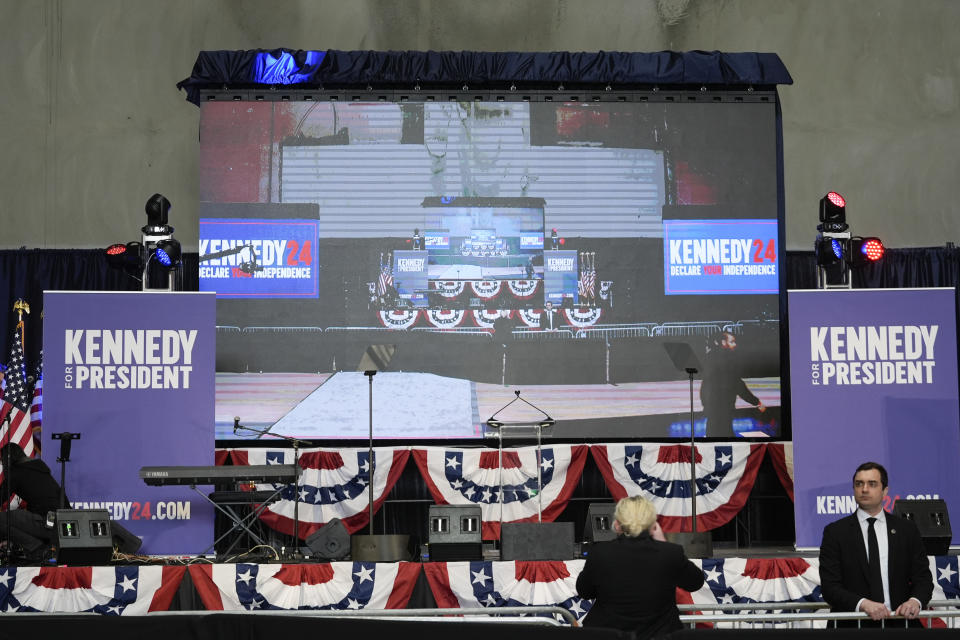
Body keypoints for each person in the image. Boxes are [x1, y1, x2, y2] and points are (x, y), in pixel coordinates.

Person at [819, 462, 933, 627]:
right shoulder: (835, 532)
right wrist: (863, 604)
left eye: (872, 484)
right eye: (859, 484)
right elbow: (830, 588)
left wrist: (915, 601)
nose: (864, 489)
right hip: (853, 626)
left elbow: (923, 578)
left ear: (885, 490)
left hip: (900, 623)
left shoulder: (906, 529)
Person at [576, 496, 705, 639]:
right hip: (659, 635)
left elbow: (584, 591)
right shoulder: (670, 553)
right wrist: (663, 542)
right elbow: (695, 582)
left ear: (617, 524)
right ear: (653, 525)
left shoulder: (599, 553)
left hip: (609, 634)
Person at [0, 442, 62, 561]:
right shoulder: (39, 468)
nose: (2, 464)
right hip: (61, 524)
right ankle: (41, 547)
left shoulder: (17, 472)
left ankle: (37, 548)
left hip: (46, 523)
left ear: (8, 458)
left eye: (2, 460)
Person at [699, 330, 765, 438]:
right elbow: (738, 385)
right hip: (724, 406)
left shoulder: (710, 357)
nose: (735, 344)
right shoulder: (729, 360)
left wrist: (705, 404)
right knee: (726, 437)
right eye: (732, 342)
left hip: (712, 406)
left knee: (712, 436)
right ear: (723, 343)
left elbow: (705, 384)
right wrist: (756, 402)